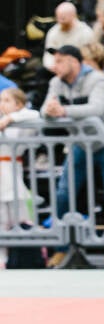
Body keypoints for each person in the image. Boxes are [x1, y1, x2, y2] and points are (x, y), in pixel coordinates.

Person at [40, 45, 104, 269]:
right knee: (63, 194)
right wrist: (49, 110)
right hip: (80, 143)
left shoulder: (97, 79)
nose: (54, 66)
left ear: (74, 62)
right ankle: (61, 249)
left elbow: (96, 109)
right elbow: (44, 112)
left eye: (60, 60)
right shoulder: (55, 83)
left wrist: (63, 111)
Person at [0, 87, 39, 270]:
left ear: (18, 104)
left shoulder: (21, 121)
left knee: (19, 218)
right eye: (1, 100)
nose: (2, 104)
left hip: (12, 170)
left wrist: (11, 118)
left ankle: (21, 258)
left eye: (7, 100)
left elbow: (35, 115)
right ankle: (2, 258)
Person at [43, 3, 94, 72]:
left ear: (74, 16)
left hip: (79, 68)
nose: (60, 22)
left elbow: (89, 56)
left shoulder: (86, 32)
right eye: (58, 18)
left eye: (63, 18)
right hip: (57, 67)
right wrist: (52, 66)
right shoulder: (53, 32)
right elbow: (48, 55)